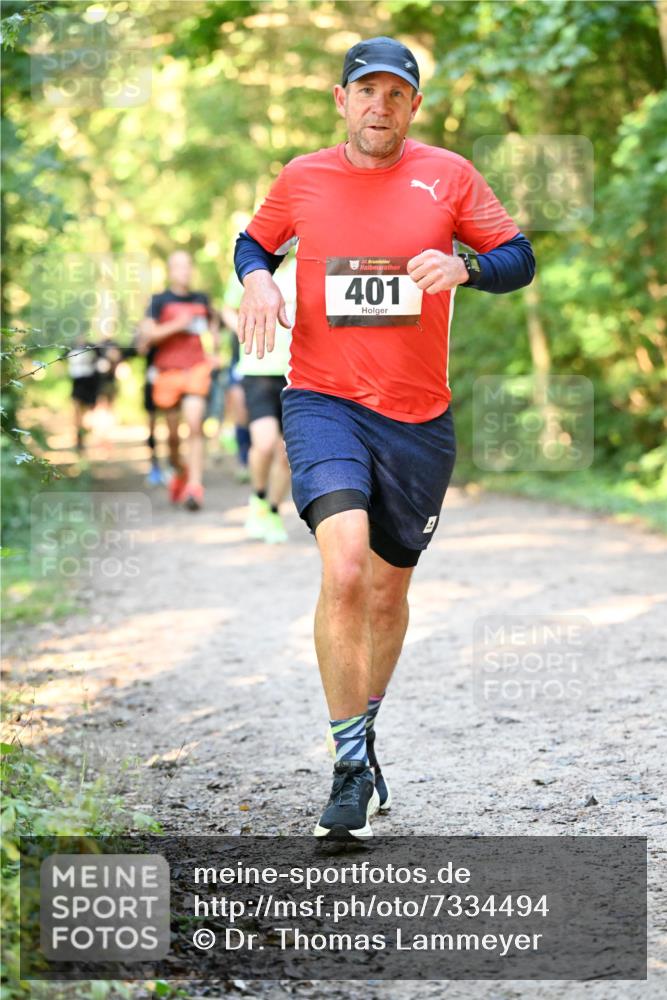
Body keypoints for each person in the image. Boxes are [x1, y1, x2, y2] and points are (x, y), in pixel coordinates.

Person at [234, 36, 535, 840]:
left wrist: (468, 269)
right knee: (342, 570)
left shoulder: (450, 176)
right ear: (340, 101)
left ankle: (364, 743)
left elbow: (518, 256)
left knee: (386, 590)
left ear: (412, 107)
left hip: (417, 418)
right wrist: (259, 277)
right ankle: (345, 766)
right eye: (364, 91)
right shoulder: (302, 178)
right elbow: (252, 242)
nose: (379, 105)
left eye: (394, 94)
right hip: (322, 399)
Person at [139, 250, 220, 510]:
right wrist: (178, 324)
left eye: (187, 266)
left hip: (196, 368)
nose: (184, 271)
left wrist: (215, 352)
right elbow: (147, 337)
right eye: (178, 266)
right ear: (170, 270)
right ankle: (179, 469)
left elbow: (213, 327)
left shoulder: (202, 299)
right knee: (172, 436)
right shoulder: (158, 301)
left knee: (195, 424)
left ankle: (195, 487)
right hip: (168, 372)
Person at [223, 250, 295, 544]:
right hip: (258, 367)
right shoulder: (251, 269)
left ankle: (274, 511)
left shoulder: (306, 268)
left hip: (296, 369)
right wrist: (244, 326)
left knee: (287, 452)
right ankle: (258, 498)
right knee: (264, 442)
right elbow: (227, 308)